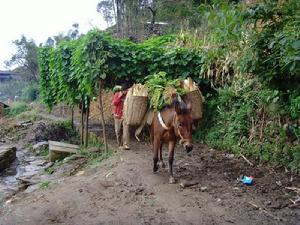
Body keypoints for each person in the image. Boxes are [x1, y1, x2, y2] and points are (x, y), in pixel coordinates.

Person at [112, 85, 130, 150]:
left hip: (125, 116)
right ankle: (119, 144)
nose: (126, 92)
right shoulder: (117, 94)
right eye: (125, 91)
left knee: (126, 130)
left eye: (126, 91)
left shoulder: (128, 95)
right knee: (118, 131)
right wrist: (120, 96)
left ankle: (125, 144)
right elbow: (114, 103)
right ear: (122, 91)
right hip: (117, 116)